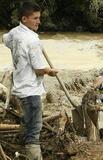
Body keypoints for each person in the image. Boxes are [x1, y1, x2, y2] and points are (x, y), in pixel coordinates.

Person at [2, 1, 58, 159]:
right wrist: (50, 71)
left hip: (20, 88)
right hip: (31, 91)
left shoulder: (14, 32)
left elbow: (5, 39)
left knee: (27, 124)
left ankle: (20, 152)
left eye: (39, 18)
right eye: (35, 18)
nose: (39, 21)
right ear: (24, 19)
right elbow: (39, 69)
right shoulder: (33, 41)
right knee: (34, 131)